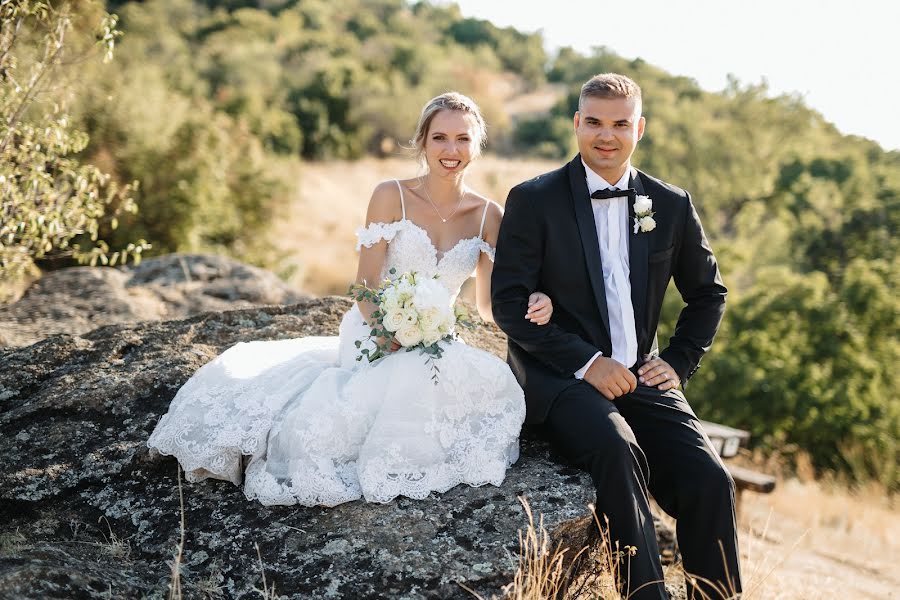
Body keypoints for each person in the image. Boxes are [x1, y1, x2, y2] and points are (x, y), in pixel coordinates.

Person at [148, 92, 554, 507]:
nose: (451, 150)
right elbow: (364, 287)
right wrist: (393, 331)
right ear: (422, 142)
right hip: (374, 331)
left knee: (486, 389)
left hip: (438, 341)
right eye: (440, 138)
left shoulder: (489, 216)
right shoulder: (390, 195)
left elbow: (488, 306)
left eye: (463, 139)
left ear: (477, 144)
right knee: (372, 399)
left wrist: (534, 299)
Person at [490, 74, 740, 600]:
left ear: (640, 128)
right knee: (617, 450)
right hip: (562, 378)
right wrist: (586, 363)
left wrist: (678, 361)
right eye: (595, 123)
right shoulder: (534, 199)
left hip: (641, 374)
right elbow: (509, 305)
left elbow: (708, 293)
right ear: (577, 124)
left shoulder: (669, 204)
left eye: (621, 124)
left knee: (710, 481)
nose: (607, 135)